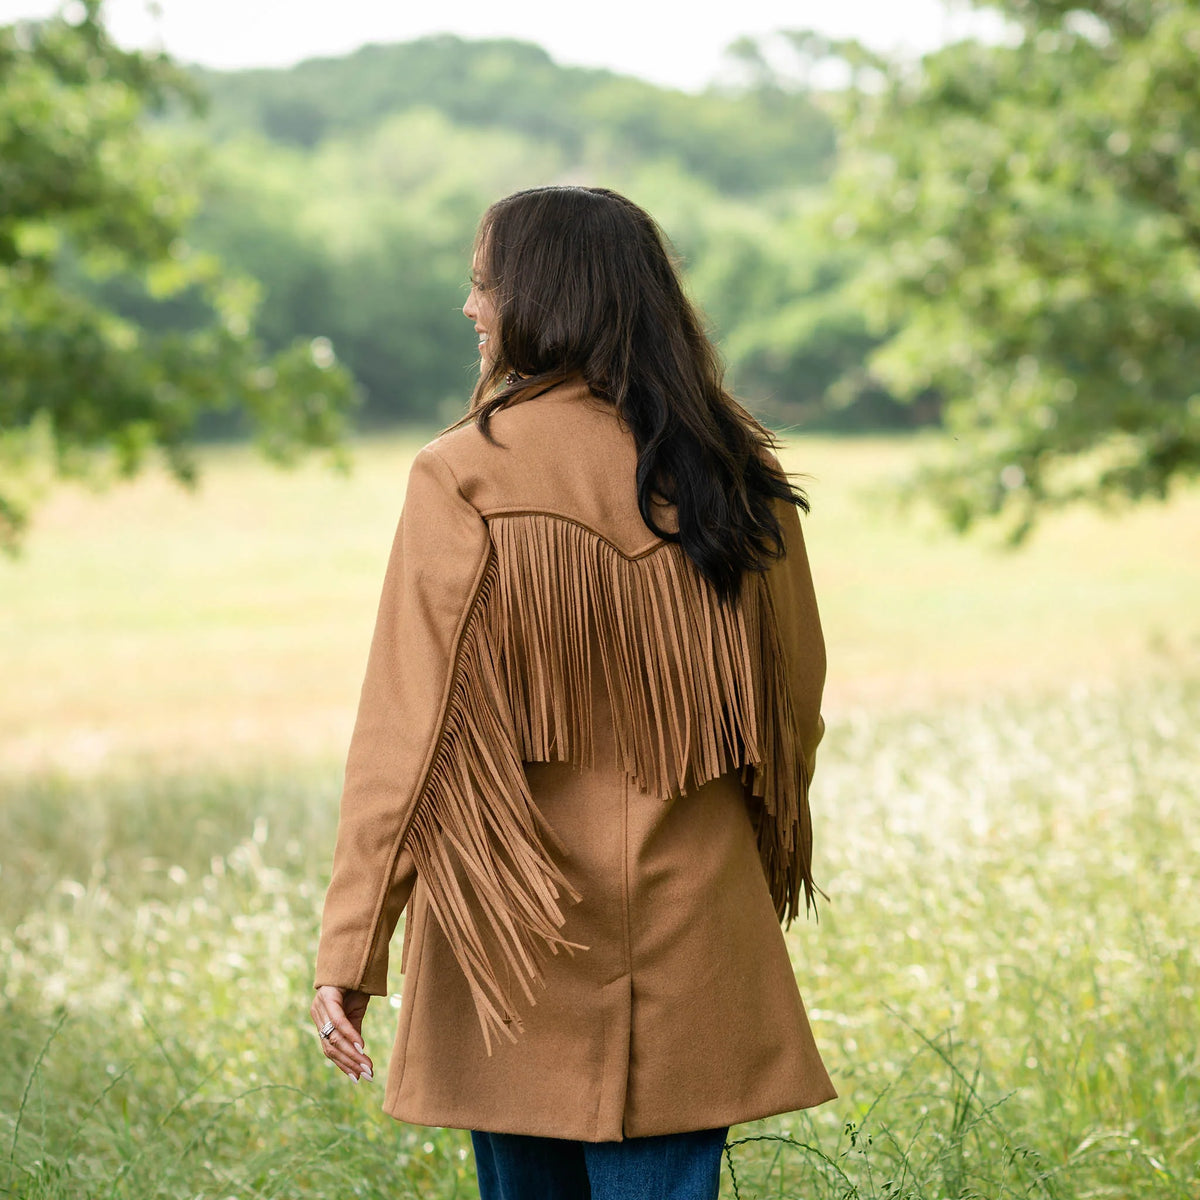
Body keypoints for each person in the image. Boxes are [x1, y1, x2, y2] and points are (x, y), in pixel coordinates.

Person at [309, 185, 834, 1200]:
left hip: (512, 939)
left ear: (544, 296)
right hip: (694, 928)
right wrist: (753, 862)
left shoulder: (464, 474)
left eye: (484, 284)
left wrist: (353, 945)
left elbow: (406, 735)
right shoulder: (739, 474)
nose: (471, 307)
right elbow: (790, 712)